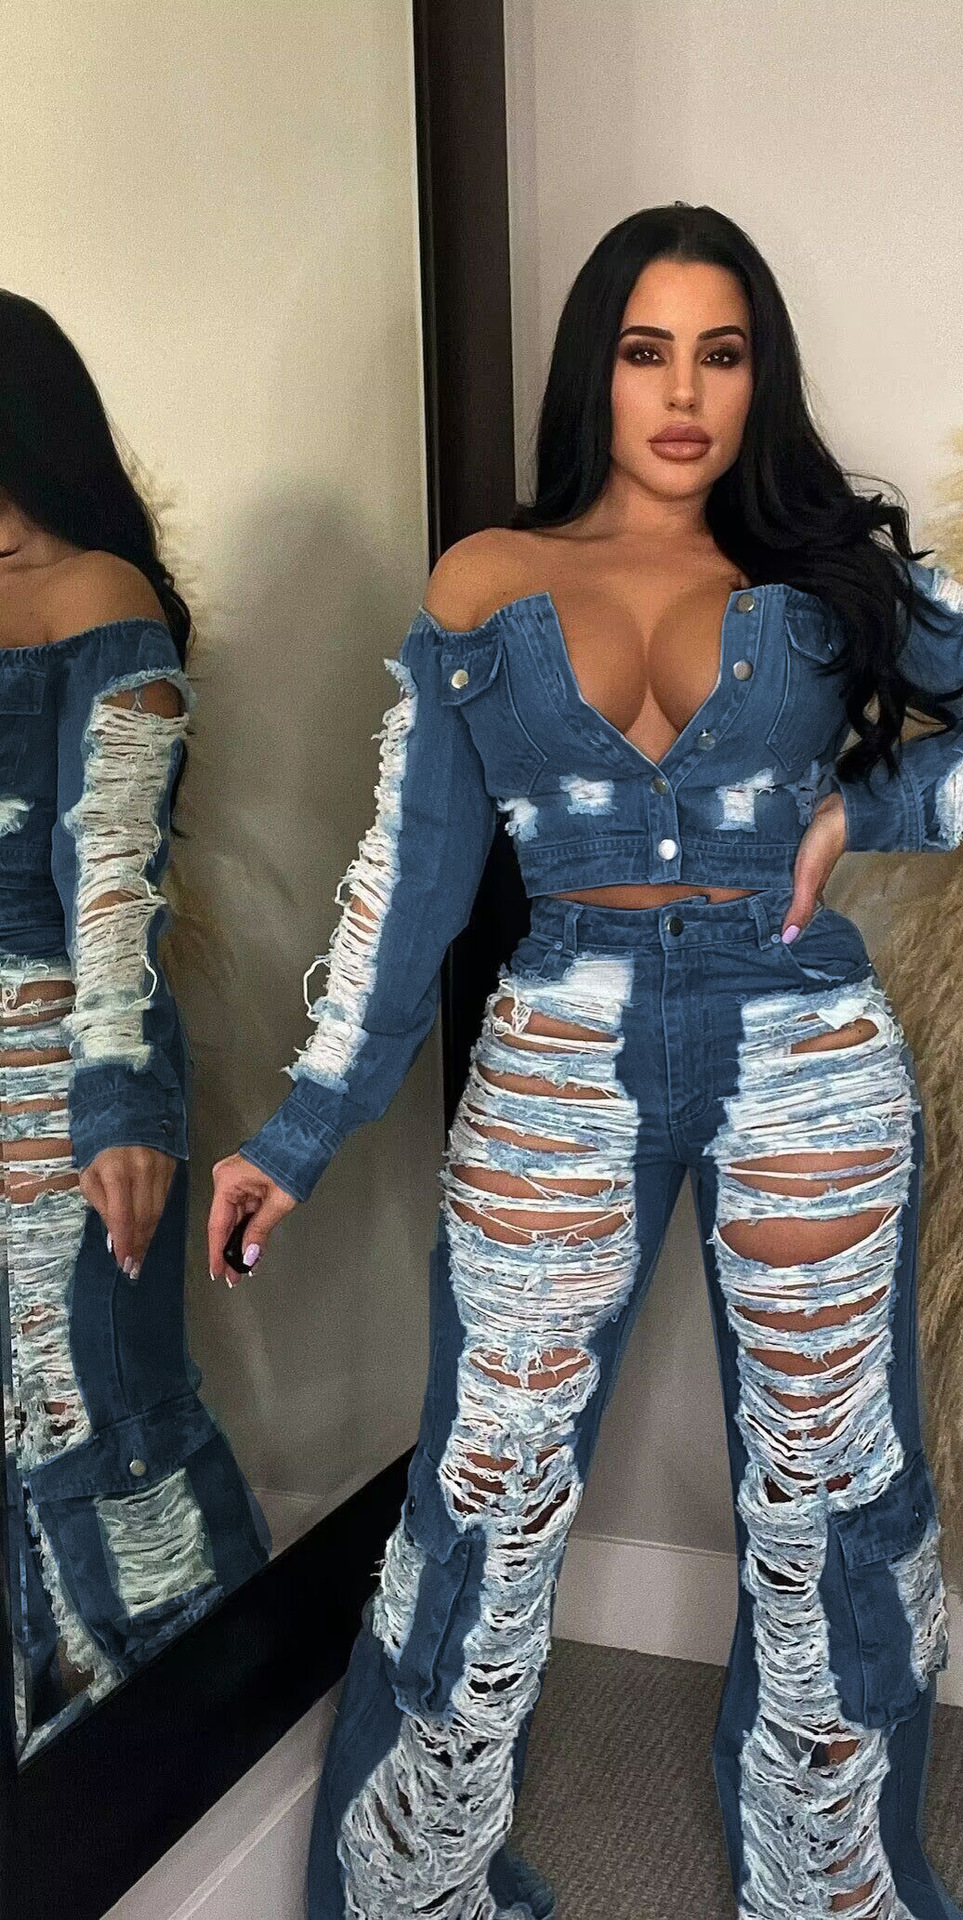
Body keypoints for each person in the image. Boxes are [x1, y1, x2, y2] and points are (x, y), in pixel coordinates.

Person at [210, 204, 963, 1920]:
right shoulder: (485, 577)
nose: (685, 394)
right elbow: (413, 878)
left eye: (723, 353)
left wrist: (869, 809)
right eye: (648, 352)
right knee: (488, 1488)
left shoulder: (825, 577)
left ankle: (827, 1883)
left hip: (805, 1043)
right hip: (560, 1040)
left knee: (831, 1493)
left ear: (760, 378)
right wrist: (302, 1128)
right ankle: (415, 1888)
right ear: (599, 372)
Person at [0, 291, 270, 1754]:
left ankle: (196, 1739)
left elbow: (111, 877)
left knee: (105, 1429)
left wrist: (113, 1104)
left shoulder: (95, 596)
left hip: (52, 1083)